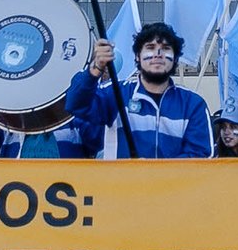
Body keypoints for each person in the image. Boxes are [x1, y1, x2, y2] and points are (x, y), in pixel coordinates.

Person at [65, 22, 212, 158]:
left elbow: (200, 155)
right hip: (120, 185)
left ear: (175, 58)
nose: (158, 54)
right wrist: (95, 69)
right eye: (150, 47)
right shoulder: (115, 93)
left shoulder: (193, 104)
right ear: (137, 56)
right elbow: (74, 104)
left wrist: (152, 172)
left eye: (166, 48)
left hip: (176, 186)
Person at [0, 89, 93, 159]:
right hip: (18, 210)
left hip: (66, 212)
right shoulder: (6, 127)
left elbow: (102, 138)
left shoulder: (74, 123)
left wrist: (94, 81)